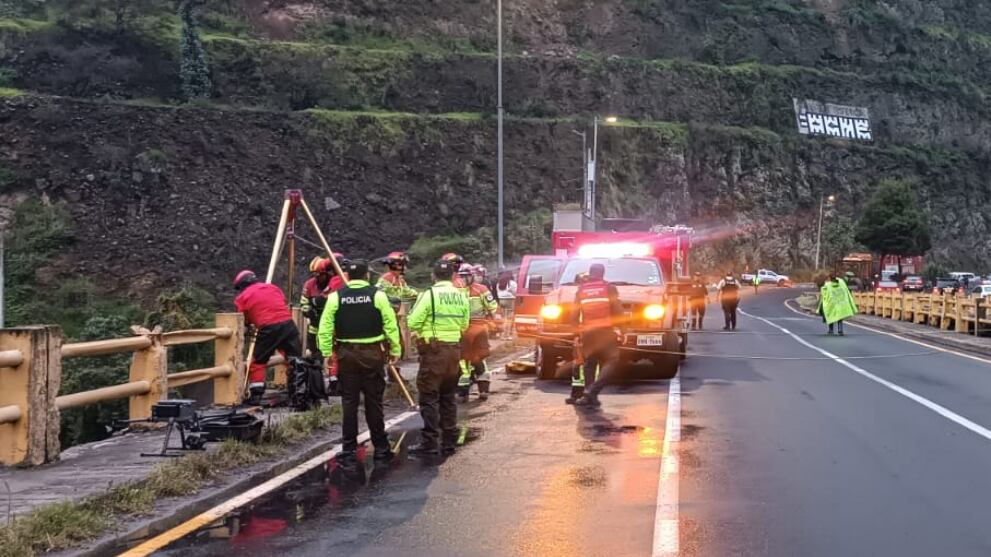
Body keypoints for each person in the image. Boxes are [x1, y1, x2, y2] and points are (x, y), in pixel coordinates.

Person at [318, 260, 402, 465]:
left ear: (348, 276)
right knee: (374, 401)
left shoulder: (336, 297)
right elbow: (390, 324)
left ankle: (348, 450)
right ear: (367, 276)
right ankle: (381, 447)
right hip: (373, 354)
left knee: (349, 402)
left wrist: (327, 352)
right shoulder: (378, 295)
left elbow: (325, 327)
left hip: (347, 354)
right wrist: (395, 349)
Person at [407, 260, 470, 455]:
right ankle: (449, 440)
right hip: (454, 351)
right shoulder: (461, 296)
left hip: (434, 352)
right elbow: (464, 325)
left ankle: (430, 442)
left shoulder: (429, 295)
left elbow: (412, 322)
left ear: (433, 276)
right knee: (448, 397)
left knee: (429, 396)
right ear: (452, 276)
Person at [233, 270, 302, 405]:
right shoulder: (273, 288)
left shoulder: (242, 297)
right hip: (288, 324)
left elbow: (242, 318)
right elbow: (281, 302)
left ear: (242, 285)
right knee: (295, 359)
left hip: (268, 328)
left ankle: (256, 395)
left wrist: (250, 324)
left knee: (258, 362)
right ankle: (299, 392)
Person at [574, 264, 624, 408]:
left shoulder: (581, 290)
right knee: (612, 359)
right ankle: (592, 390)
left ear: (590, 274)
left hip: (588, 332)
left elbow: (574, 314)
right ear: (602, 274)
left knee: (590, 363)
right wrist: (623, 330)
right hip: (605, 331)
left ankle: (589, 397)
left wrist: (576, 334)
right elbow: (618, 310)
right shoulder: (609, 288)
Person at [458, 264, 499, 402]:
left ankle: (480, 390)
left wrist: (495, 320)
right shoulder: (456, 290)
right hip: (465, 330)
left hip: (476, 329)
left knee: (477, 358)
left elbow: (493, 307)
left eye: (467, 276)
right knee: (465, 360)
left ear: (472, 276)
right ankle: (465, 391)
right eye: (463, 276)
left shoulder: (480, 289)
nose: (465, 279)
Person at [300, 256, 331, 365]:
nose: (317, 277)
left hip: (331, 324)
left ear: (326, 273)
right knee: (314, 352)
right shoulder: (309, 284)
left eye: (320, 274)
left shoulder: (333, 283)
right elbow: (303, 302)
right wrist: (308, 311)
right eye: (315, 274)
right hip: (314, 324)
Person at [495, 270, 517, 336]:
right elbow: (515, 292)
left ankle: (501, 333)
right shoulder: (513, 283)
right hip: (510, 300)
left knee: (503, 317)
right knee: (509, 318)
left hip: (501, 300)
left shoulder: (499, 283)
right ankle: (507, 334)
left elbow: (497, 291)